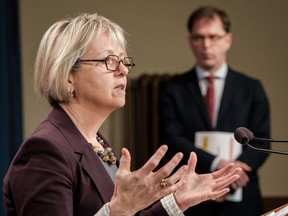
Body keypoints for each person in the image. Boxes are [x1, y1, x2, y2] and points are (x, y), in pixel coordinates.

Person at [2, 13, 241, 216]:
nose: (124, 70)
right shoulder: (45, 151)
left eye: (123, 60)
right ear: (68, 75)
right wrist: (120, 210)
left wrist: (176, 201)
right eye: (108, 61)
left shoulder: (98, 143)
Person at [158, 5, 271, 216]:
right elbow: (172, 138)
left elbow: (262, 139)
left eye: (214, 37)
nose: (206, 45)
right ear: (190, 41)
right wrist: (216, 164)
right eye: (199, 37)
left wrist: (238, 168)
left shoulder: (251, 88)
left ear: (228, 40)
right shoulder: (173, 89)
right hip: (193, 198)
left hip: (242, 194)